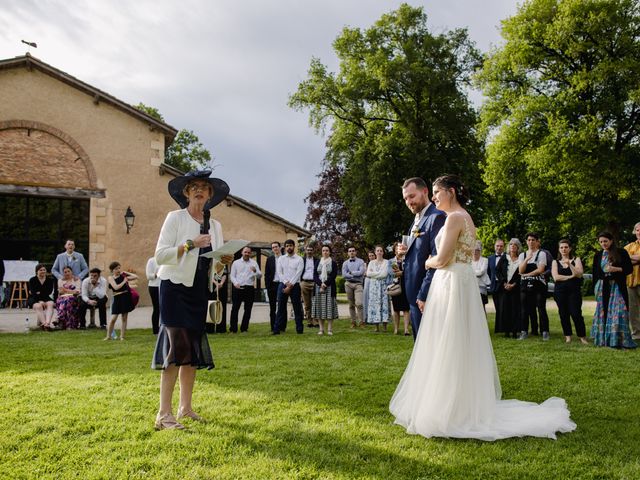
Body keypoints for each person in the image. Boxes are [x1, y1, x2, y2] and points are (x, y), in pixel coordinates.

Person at [389, 174, 576, 440]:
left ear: (450, 192)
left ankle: (449, 409)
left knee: (448, 342)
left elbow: (442, 259)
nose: (434, 198)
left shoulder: (454, 218)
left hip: (451, 282)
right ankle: (457, 403)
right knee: (456, 342)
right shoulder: (466, 217)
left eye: (437, 193)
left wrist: (427, 261)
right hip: (458, 282)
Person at [151, 169, 232, 430]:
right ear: (186, 193)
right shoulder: (174, 218)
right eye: (193, 186)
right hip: (174, 288)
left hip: (199, 290)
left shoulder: (215, 226)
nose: (199, 190)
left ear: (210, 195)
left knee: (192, 350)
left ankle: (185, 408)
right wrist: (190, 244)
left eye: (204, 187)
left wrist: (223, 263)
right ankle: (164, 415)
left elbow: (215, 267)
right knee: (175, 349)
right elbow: (161, 255)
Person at [398, 177, 446, 339]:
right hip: (413, 295)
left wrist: (423, 294)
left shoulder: (437, 217)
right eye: (405, 198)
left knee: (430, 346)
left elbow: (437, 259)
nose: (408, 202)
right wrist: (403, 252)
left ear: (425, 191)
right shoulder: (417, 219)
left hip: (426, 296)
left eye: (412, 196)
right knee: (420, 347)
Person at [591, 231, 636, 349]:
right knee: (604, 312)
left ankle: (620, 340)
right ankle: (605, 340)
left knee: (619, 313)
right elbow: (595, 274)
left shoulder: (621, 252)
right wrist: (596, 288)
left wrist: (615, 269)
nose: (603, 244)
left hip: (617, 287)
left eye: (605, 241)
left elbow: (629, 269)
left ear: (611, 241)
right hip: (603, 287)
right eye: (601, 242)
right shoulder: (598, 255)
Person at [551, 240, 587, 344]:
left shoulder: (576, 260)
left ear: (570, 248)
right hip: (560, 292)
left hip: (574, 291)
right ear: (559, 249)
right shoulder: (555, 262)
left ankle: (582, 336)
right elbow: (556, 277)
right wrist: (571, 276)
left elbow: (579, 274)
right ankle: (568, 336)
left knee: (576, 314)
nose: (564, 249)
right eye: (561, 247)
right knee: (563, 314)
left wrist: (570, 265)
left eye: (566, 247)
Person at [518, 232, 550, 340]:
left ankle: (545, 331)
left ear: (537, 241)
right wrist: (527, 259)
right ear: (526, 242)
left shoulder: (541, 254)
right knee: (524, 308)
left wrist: (526, 274)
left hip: (538, 284)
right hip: (524, 285)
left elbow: (540, 269)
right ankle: (524, 331)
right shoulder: (522, 255)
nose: (531, 242)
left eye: (533, 240)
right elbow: (520, 270)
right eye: (529, 240)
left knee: (541, 307)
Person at [273, 239, 304, 334]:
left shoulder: (299, 259)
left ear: (294, 246)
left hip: (295, 285)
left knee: (297, 307)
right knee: (281, 308)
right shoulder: (281, 259)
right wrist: (286, 283)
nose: (289, 247)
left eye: (290, 245)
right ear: (285, 247)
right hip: (283, 284)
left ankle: (299, 329)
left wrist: (290, 285)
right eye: (287, 246)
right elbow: (279, 272)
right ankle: (277, 329)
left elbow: (298, 273)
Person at [229, 246, 262, 333]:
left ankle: (244, 328)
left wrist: (255, 271)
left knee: (248, 309)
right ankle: (233, 329)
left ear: (250, 253)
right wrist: (235, 283)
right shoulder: (236, 263)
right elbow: (232, 275)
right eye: (245, 252)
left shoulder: (254, 263)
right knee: (235, 308)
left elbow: (260, 276)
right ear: (242, 252)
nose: (247, 254)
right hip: (238, 288)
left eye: (248, 252)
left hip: (249, 288)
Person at [496, 238, 523, 338]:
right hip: (504, 287)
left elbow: (521, 273)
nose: (512, 246)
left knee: (515, 310)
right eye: (511, 244)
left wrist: (514, 284)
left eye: (515, 245)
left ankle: (515, 331)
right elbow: (497, 271)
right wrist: (504, 283)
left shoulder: (521, 259)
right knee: (505, 309)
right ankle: (506, 331)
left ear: (518, 247)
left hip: (515, 288)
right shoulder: (504, 257)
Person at [106, 261, 137, 341]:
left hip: (125, 297)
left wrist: (126, 272)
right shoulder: (110, 278)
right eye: (116, 269)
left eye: (119, 268)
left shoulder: (123, 276)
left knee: (124, 318)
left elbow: (136, 277)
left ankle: (122, 336)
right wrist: (124, 281)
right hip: (117, 298)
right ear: (112, 270)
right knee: (113, 318)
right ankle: (108, 336)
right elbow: (116, 287)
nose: (118, 270)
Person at [312, 245, 339, 336]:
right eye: (323, 250)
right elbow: (315, 275)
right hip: (318, 288)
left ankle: (330, 329)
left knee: (329, 308)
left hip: (330, 287)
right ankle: (321, 329)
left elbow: (334, 275)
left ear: (329, 252)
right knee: (320, 308)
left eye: (327, 250)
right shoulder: (317, 262)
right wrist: (320, 284)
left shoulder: (333, 263)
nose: (325, 252)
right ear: (321, 252)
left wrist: (326, 284)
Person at [366, 245, 391, 332]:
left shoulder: (387, 262)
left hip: (384, 286)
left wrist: (375, 273)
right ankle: (376, 327)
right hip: (374, 288)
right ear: (375, 252)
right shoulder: (371, 263)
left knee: (384, 305)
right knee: (374, 305)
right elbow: (368, 273)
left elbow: (385, 274)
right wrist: (379, 273)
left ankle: (384, 327)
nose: (379, 252)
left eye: (381, 250)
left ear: (383, 252)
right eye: (378, 250)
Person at [390, 242, 411, 336]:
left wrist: (402, 273)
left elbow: (410, 271)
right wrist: (396, 273)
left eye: (401, 248)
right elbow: (389, 273)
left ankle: (406, 329)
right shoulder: (391, 261)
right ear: (395, 251)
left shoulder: (408, 260)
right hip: (395, 286)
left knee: (406, 308)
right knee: (396, 309)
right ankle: (396, 329)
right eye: (397, 249)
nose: (399, 250)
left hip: (406, 285)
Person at [342, 246, 365, 328]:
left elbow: (361, 272)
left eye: (353, 251)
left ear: (356, 252)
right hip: (348, 284)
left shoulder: (361, 261)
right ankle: (353, 322)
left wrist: (351, 273)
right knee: (351, 304)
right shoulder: (345, 263)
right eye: (350, 251)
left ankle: (362, 322)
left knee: (359, 303)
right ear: (348, 253)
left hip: (358, 284)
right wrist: (354, 274)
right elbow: (344, 275)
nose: (351, 252)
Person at [624, 222, 640, 340]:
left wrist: (628, 257)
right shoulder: (629, 246)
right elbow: (621, 259)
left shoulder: (627, 250)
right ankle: (637, 335)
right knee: (633, 311)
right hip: (630, 282)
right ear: (635, 232)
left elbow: (625, 258)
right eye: (638, 230)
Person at [28, 263, 56, 330]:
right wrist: (40, 300)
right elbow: (33, 292)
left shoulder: (50, 280)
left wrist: (39, 292)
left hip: (46, 297)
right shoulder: (32, 280)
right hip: (34, 298)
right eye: (41, 270)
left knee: (50, 304)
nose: (43, 271)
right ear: (36, 271)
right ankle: (45, 324)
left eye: (44, 270)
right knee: (38, 306)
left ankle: (48, 323)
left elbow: (49, 291)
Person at [488, 238, 506, 331]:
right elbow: (488, 272)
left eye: (501, 246)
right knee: (497, 307)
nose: (499, 248)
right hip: (494, 285)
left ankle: (503, 328)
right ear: (495, 247)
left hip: (503, 285)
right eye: (497, 246)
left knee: (503, 307)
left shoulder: (506, 257)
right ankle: (498, 328)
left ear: (504, 247)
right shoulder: (490, 258)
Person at [300, 245, 319, 328]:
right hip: (304, 283)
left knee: (315, 303)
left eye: (311, 250)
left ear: (313, 251)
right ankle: (309, 321)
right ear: (305, 251)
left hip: (314, 283)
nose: (309, 251)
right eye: (308, 250)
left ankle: (315, 321)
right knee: (307, 303)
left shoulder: (317, 260)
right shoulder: (302, 260)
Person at [472, 240, 491, 314]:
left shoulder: (485, 260)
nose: (475, 251)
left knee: (482, 308)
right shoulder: (469, 261)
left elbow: (481, 272)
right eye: (473, 249)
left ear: (480, 250)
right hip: (471, 287)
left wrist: (471, 273)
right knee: (472, 308)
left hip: (481, 288)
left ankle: (484, 325)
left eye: (477, 250)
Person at [146, 256, 161, 334]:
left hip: (165, 286)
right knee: (157, 308)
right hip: (154, 286)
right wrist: (158, 273)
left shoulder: (167, 261)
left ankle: (163, 328)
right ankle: (155, 330)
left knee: (165, 308)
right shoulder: (151, 260)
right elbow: (149, 276)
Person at [362, 250, 376, 324]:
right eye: (370, 256)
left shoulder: (377, 263)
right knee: (366, 299)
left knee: (373, 299)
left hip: (375, 281)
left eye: (372, 255)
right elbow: (365, 274)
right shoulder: (365, 264)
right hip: (367, 282)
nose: (371, 257)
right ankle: (366, 317)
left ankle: (374, 317)